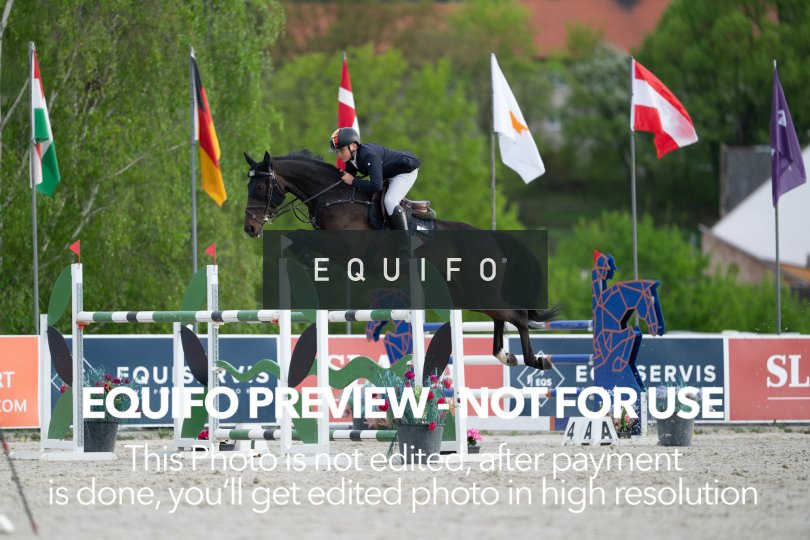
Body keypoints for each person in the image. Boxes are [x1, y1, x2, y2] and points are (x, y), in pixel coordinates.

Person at [329, 127, 421, 231]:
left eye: (341, 150)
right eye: (336, 152)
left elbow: (377, 186)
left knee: (390, 201)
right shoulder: (351, 158)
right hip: (388, 174)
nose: (338, 155)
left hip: (404, 172)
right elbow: (346, 178)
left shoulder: (369, 155)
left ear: (353, 146)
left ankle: (404, 239)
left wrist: (353, 181)